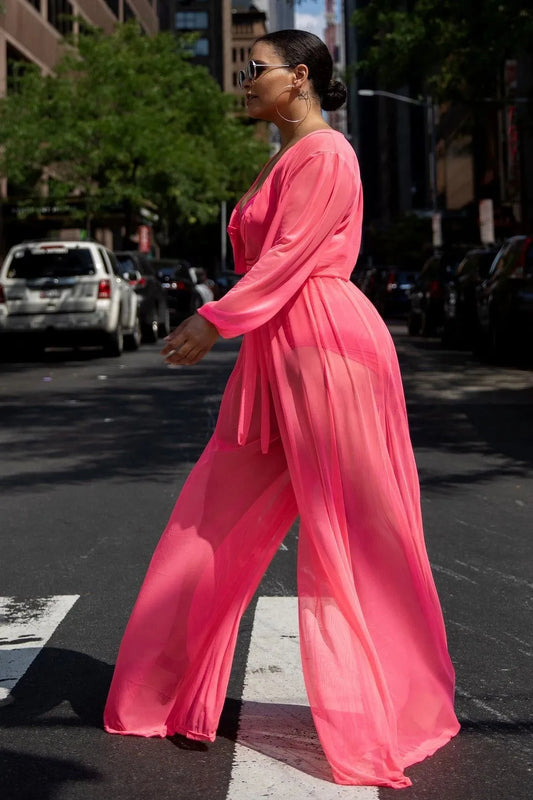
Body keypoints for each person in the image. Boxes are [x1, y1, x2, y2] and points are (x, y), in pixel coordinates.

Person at [104, 30, 460, 788]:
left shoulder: (327, 154)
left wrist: (215, 316)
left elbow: (289, 253)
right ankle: (161, 692)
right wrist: (238, 320)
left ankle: (396, 708)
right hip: (278, 352)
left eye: (255, 69)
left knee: (359, 535)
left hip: (326, 349)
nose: (245, 81)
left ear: (298, 78)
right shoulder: (288, 156)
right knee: (208, 518)